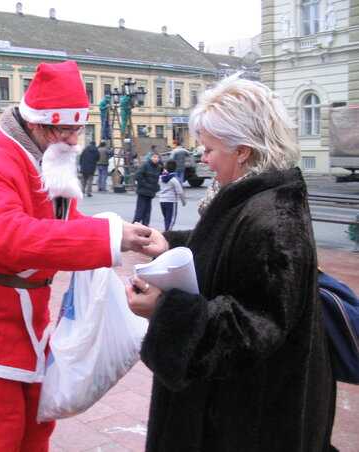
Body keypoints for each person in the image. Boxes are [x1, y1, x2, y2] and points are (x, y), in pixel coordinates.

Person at [0, 60, 152, 452]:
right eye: (61, 130)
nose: (70, 141)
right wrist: (108, 237)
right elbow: (9, 237)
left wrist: (124, 237)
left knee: (36, 424)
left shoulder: (43, 155)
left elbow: (62, 218)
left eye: (76, 130)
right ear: (34, 123)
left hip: (28, 316)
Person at [126, 74, 336, 452]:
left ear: (242, 150)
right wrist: (169, 244)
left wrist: (165, 311)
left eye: (208, 149)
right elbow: (230, 251)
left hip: (247, 420)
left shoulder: (272, 216)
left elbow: (255, 328)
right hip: (235, 408)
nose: (202, 159)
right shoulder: (249, 197)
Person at [132, 151, 161, 226]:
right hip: (143, 192)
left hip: (150, 193)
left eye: (158, 157)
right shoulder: (145, 165)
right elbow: (137, 175)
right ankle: (135, 227)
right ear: (151, 157)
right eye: (154, 157)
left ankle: (145, 227)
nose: (156, 159)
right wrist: (145, 184)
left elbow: (156, 180)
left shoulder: (157, 168)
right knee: (140, 212)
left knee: (147, 212)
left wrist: (156, 187)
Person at [158, 159, 186, 231]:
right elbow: (180, 191)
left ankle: (166, 232)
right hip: (171, 201)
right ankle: (167, 235)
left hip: (162, 200)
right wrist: (183, 201)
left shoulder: (160, 178)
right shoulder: (174, 179)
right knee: (171, 220)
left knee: (166, 219)